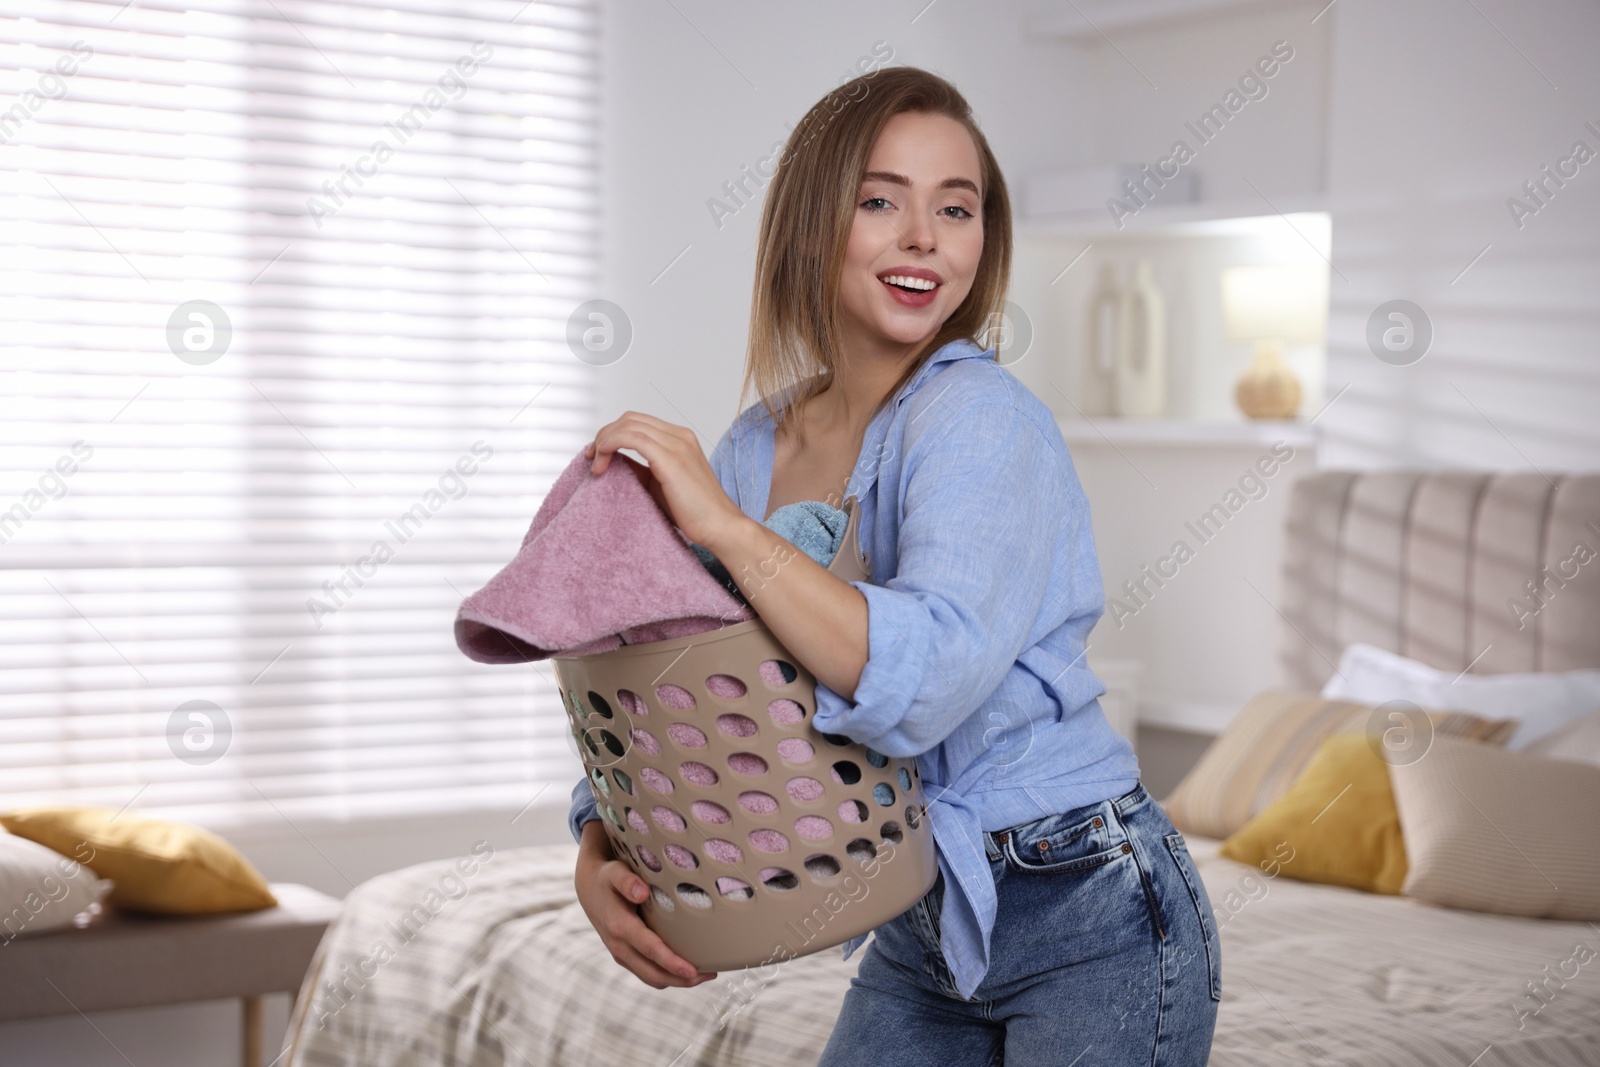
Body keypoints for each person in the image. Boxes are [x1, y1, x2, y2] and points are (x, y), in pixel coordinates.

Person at [569, 65, 1220, 1065]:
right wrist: (598, 841)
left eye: (955, 208)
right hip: (919, 902)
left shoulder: (981, 419)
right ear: (807, 227)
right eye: (880, 200)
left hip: (1084, 903)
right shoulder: (753, 445)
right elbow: (682, 680)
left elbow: (931, 680)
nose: (924, 236)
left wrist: (734, 534)